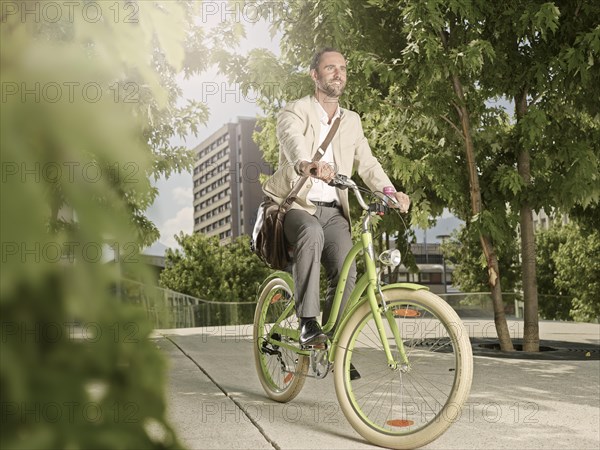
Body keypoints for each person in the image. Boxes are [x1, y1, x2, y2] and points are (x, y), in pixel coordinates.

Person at [263, 48, 410, 347]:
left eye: (342, 68)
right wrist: (308, 165)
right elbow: (292, 140)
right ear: (314, 74)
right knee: (311, 231)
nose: (338, 73)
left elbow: (367, 163)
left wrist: (390, 193)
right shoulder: (295, 110)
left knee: (347, 270)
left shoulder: (351, 120)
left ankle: (332, 346)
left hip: (334, 210)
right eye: (330, 68)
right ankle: (307, 323)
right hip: (295, 205)